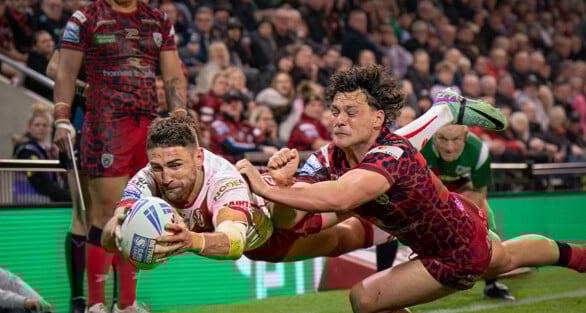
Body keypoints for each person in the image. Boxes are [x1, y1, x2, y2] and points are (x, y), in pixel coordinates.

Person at [235, 65, 586, 313]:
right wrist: (283, 190)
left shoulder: (392, 154)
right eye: (335, 111)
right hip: (431, 228)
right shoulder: (326, 156)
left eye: (351, 111)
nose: (339, 119)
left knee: (365, 300)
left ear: (377, 118)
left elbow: (340, 195)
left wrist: (266, 187)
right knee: (507, 257)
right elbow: (292, 219)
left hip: (454, 250)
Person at [103, 88, 509, 267]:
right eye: (159, 167)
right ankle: (444, 229)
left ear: (197, 158)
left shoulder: (224, 182)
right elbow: (111, 230)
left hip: (284, 211)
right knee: (345, 238)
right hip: (268, 243)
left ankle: (442, 113)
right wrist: (121, 233)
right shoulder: (148, 177)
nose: (165, 177)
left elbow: (233, 240)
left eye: (175, 166)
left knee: (365, 180)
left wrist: (189, 240)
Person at [53, 0, 186, 313]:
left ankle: (126, 304)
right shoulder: (85, 19)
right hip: (105, 126)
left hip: (146, 128)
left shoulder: (158, 20)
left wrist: (180, 116)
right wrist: (61, 116)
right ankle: (95, 305)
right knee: (105, 213)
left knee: (137, 211)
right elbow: (64, 72)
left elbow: (173, 74)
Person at [421, 124, 518, 300]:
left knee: (486, 220)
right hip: (426, 192)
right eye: (442, 139)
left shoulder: (478, 151)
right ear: (434, 135)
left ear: (465, 137)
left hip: (461, 187)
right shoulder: (420, 145)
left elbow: (480, 190)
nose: (449, 147)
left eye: (455, 140)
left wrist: (469, 219)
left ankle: (492, 283)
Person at [12, 103, 70, 203]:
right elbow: (39, 181)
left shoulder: (49, 149)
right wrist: (67, 196)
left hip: (45, 203)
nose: (41, 128)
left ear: (50, 128)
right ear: (29, 127)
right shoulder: (27, 151)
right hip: (28, 204)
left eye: (45, 125)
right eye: (37, 125)